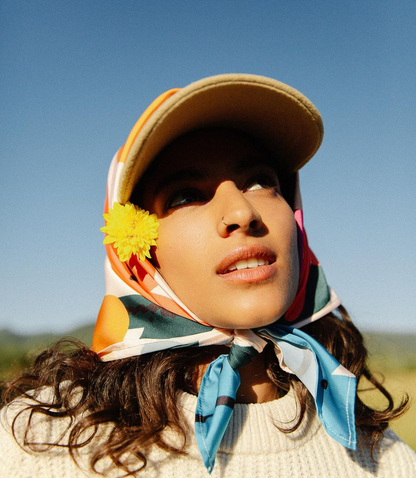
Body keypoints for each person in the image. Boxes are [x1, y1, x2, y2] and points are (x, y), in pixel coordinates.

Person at [1, 74, 415, 477]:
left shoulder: (385, 459)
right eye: (186, 195)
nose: (242, 213)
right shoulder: (33, 447)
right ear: (138, 254)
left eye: (259, 183)